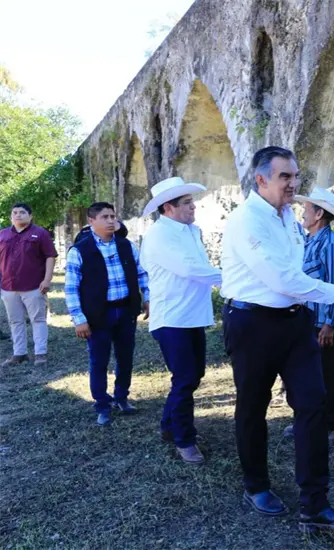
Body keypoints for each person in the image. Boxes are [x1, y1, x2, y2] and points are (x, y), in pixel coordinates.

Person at [221, 146, 334, 532]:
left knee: (313, 405)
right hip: (252, 323)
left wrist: (322, 301)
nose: (294, 184)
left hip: (295, 321)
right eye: (286, 176)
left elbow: (295, 277)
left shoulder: (287, 218)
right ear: (261, 179)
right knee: (253, 406)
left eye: (296, 176)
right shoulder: (247, 221)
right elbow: (281, 279)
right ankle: (256, 485)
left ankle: (314, 504)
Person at [140, 177, 222, 465]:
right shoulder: (159, 235)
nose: (193, 207)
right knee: (186, 378)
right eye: (187, 203)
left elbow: (200, 267)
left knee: (192, 375)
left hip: (192, 316)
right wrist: (234, 277)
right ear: (168, 208)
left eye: (191, 201)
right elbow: (190, 269)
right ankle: (184, 439)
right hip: (172, 318)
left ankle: (169, 425)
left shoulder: (191, 231)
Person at [64, 202, 150, 426]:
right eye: (105, 217)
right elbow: (71, 288)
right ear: (91, 222)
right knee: (99, 361)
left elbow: (142, 274)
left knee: (125, 357)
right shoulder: (80, 251)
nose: (111, 220)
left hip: (125, 311)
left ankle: (121, 397)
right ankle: (102, 404)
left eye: (113, 216)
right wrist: (79, 319)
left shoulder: (126, 246)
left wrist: (148, 298)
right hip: (98, 316)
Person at [282, 187, 334, 443]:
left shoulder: (331, 244)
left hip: (321, 323)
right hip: (305, 319)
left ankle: (332, 424)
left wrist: (330, 325)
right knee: (305, 375)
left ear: (319, 213)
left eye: (307, 210)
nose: (303, 214)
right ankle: (307, 421)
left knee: (325, 373)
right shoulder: (309, 241)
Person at [0, 203, 58, 365]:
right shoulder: (2, 235)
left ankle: (40, 353)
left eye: (22, 212)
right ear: (11, 217)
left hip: (34, 286)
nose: (18, 215)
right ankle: (19, 353)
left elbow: (50, 257)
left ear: (30, 216)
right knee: (15, 321)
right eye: (15, 213)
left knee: (38, 319)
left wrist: (47, 280)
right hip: (8, 287)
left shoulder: (40, 234)